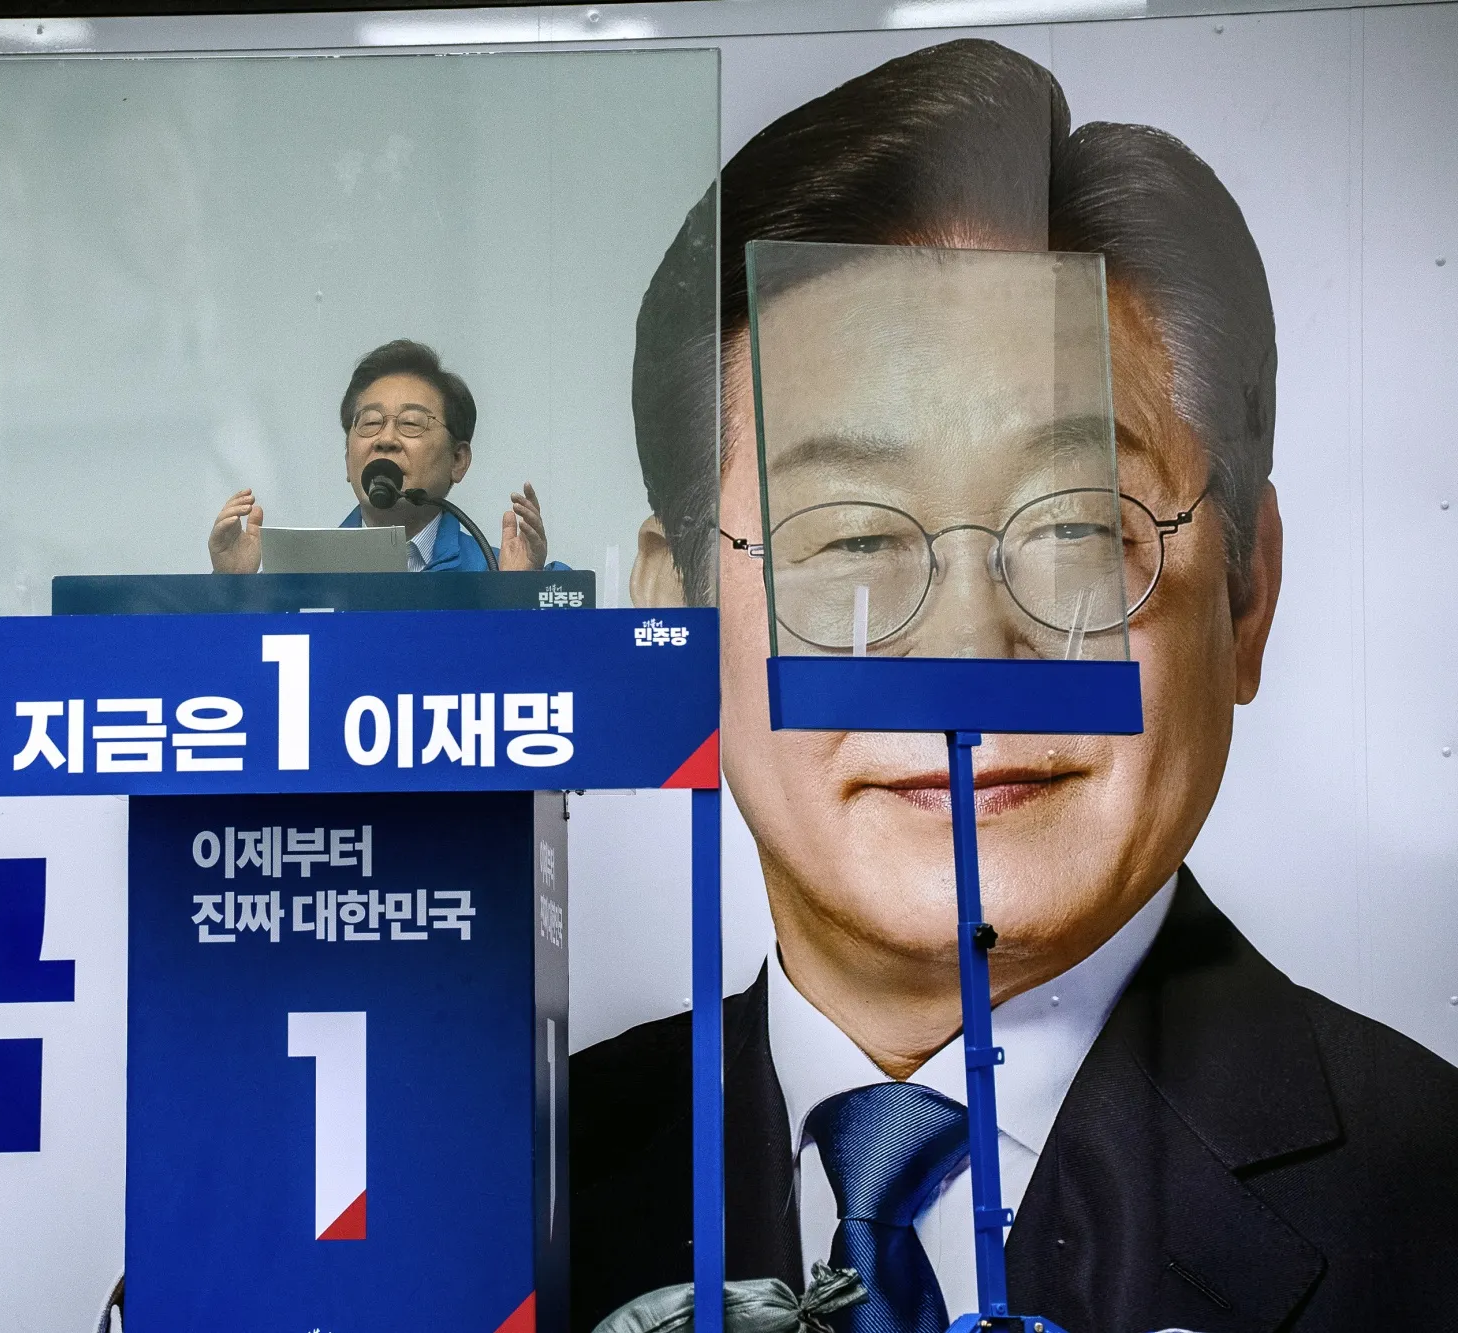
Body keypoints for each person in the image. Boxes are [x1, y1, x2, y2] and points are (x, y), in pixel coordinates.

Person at [573, 39, 1458, 1333]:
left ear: (1247, 589)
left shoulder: (1433, 1210)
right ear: (674, 620)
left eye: (1076, 527)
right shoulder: (474, 1200)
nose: (972, 649)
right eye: (853, 539)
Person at [207, 339, 553, 573]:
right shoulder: (295, 581)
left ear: (458, 460)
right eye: (370, 423)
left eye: (412, 423)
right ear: (347, 459)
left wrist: (518, 598)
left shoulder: (499, 572)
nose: (385, 439)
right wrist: (232, 589)